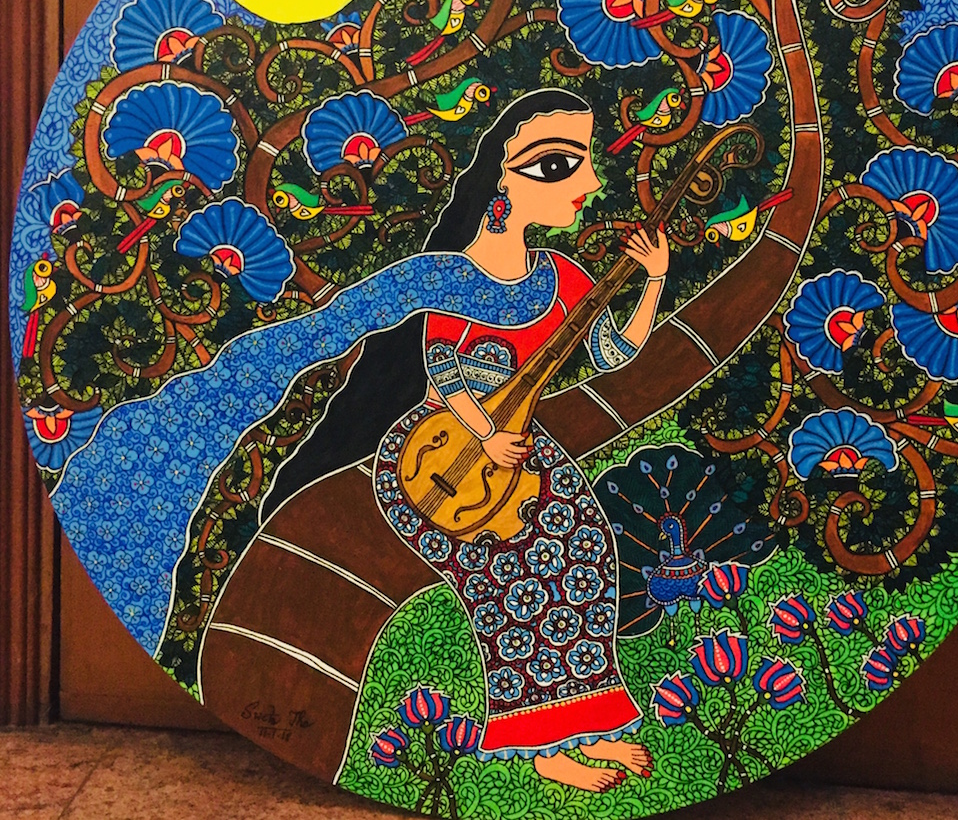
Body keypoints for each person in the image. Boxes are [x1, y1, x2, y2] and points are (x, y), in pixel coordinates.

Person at [267, 89, 668, 789]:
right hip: (435, 456)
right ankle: (541, 748)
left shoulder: (563, 277)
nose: (590, 181)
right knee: (509, 576)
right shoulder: (458, 275)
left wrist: (653, 281)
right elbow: (443, 366)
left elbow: (610, 353)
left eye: (586, 162)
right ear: (499, 182)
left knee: (586, 550)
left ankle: (581, 726)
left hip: (516, 454)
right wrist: (484, 437)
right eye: (558, 165)